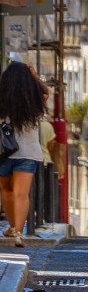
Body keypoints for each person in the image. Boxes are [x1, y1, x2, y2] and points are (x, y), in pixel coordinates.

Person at [0, 62, 48, 247]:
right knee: (21, 194)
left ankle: (12, 227)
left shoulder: (3, 100)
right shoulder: (36, 100)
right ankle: (18, 233)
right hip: (28, 153)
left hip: (4, 153)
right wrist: (34, 76)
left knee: (7, 191)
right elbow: (46, 92)